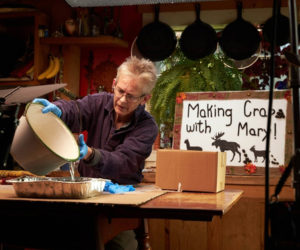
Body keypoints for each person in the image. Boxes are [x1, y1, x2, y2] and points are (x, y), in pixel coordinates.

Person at [33, 56, 158, 249]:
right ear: (114, 84)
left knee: (123, 247)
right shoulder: (99, 102)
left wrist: (91, 155)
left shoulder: (147, 127)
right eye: (120, 91)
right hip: (86, 200)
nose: (123, 100)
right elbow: (75, 109)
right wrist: (58, 110)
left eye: (131, 96)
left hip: (121, 206)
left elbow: (124, 161)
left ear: (145, 99)